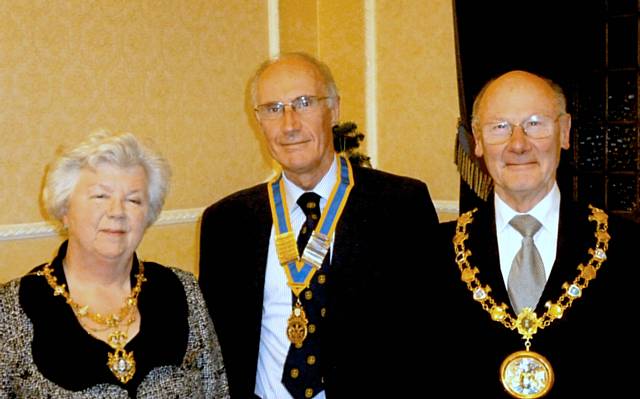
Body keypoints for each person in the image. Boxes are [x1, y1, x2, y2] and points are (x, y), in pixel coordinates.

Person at [198, 52, 439, 398]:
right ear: (258, 121)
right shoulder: (227, 223)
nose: (289, 124)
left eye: (304, 102)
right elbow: (218, 350)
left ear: (334, 109)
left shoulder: (400, 204)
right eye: (273, 109)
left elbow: (429, 335)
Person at [437, 70, 639, 397]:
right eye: (499, 127)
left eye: (535, 123)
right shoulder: (428, 253)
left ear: (565, 132)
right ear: (477, 138)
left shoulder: (628, 249)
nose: (518, 144)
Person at [0, 131, 228, 398]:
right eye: (100, 196)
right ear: (64, 210)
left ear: (149, 214)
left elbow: (217, 391)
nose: (117, 212)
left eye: (133, 200)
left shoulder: (182, 290)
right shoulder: (10, 309)